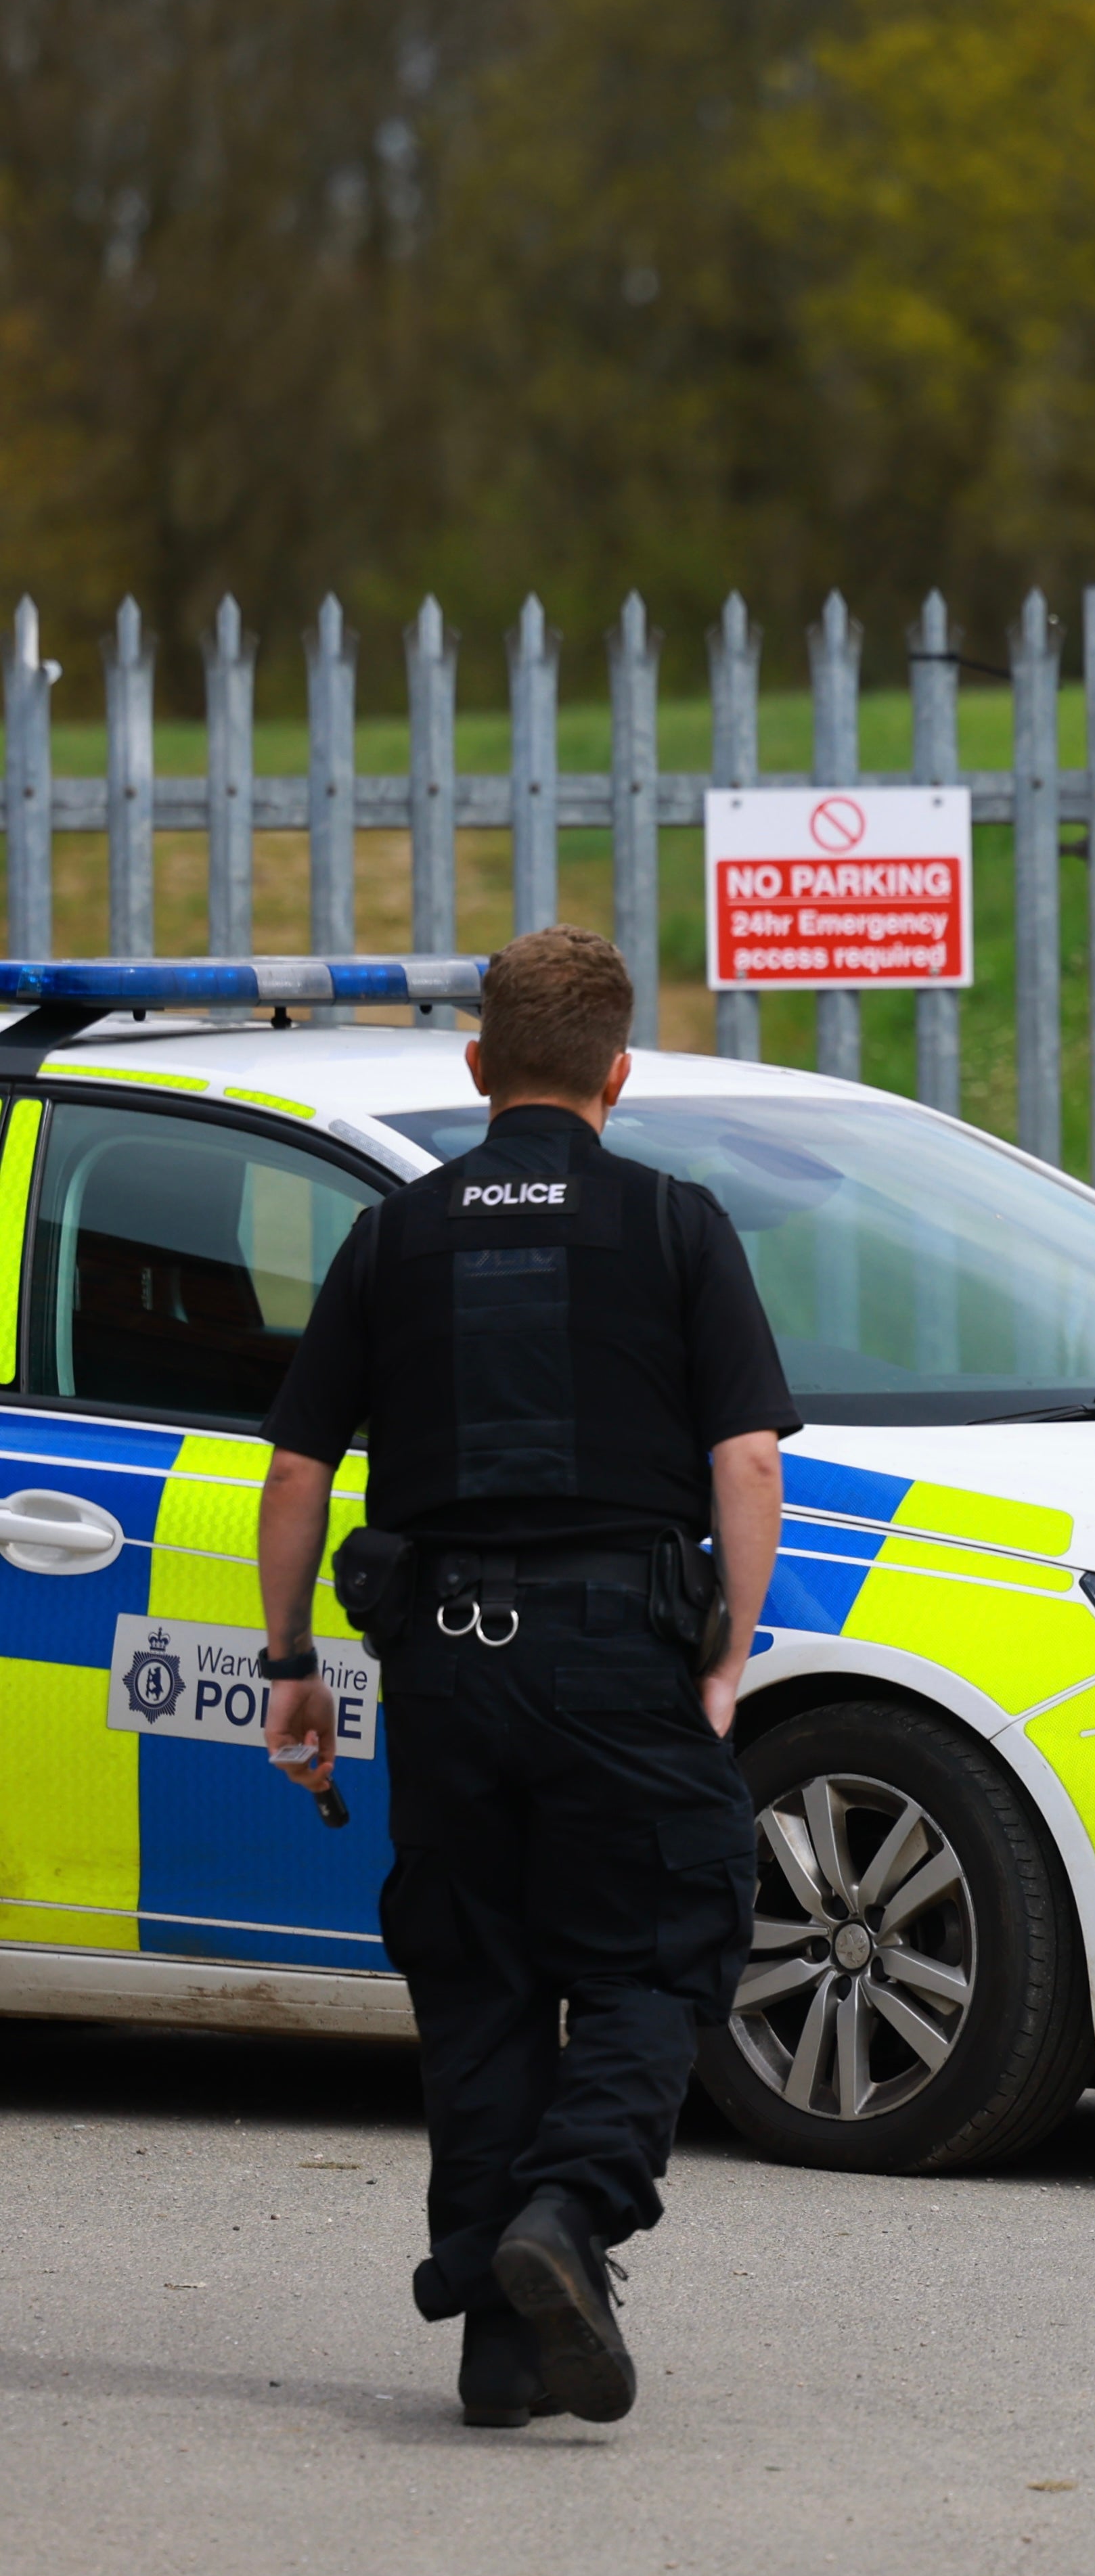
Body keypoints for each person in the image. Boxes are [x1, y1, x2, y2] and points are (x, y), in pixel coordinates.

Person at [256, 926, 796, 2429]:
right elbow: (744, 1459)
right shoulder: (677, 1226)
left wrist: (291, 1663)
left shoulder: (397, 1234)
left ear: (480, 1067)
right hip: (619, 1658)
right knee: (657, 1952)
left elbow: (299, 1468)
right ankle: (567, 2213)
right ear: (620, 1074)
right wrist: (729, 1655)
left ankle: (498, 2347)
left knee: (479, 1987)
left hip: (440, 1668)